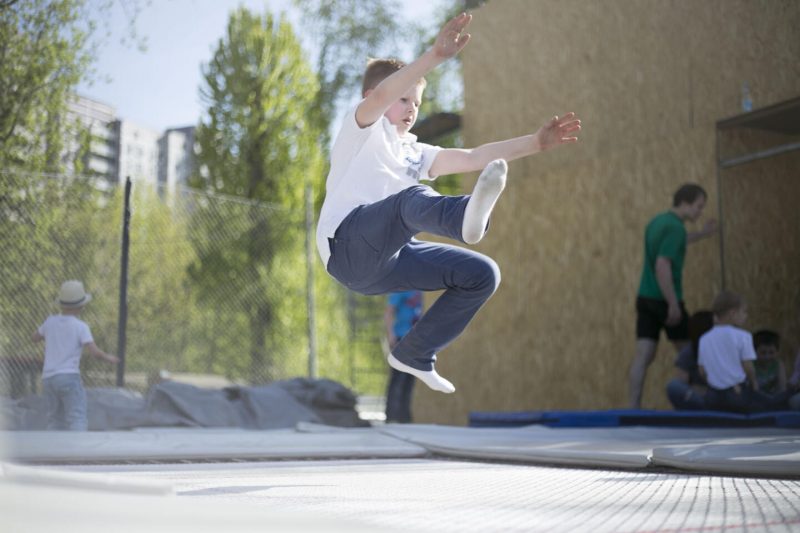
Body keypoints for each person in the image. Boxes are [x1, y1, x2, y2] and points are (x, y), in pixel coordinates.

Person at [315, 12, 581, 393]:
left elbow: (473, 156)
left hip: (381, 266)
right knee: (409, 202)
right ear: (374, 98)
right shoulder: (361, 128)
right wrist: (434, 57)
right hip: (345, 247)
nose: (411, 108)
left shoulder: (414, 152)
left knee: (482, 274)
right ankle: (464, 220)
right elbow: (382, 95)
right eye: (404, 99)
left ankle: (415, 353)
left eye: (417, 103)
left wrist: (535, 143)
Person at [627, 183, 718, 408]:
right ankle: (705, 400)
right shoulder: (675, 228)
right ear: (685, 203)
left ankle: (633, 407)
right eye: (699, 206)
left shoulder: (657, 223)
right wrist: (673, 304)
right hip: (665, 299)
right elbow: (662, 264)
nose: (700, 212)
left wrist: (703, 234)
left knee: (643, 355)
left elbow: (677, 244)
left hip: (645, 297)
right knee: (691, 350)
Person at [32, 280, 119, 430]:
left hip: (48, 379)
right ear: (81, 306)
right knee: (76, 417)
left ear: (61, 304)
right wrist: (108, 358)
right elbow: (94, 352)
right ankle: (78, 452)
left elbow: (34, 337)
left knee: (54, 419)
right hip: (68, 377)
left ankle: (52, 451)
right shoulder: (81, 327)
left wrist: (49, 334)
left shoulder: (50, 322)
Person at [698, 291, 784, 413]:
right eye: (744, 312)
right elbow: (748, 366)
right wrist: (754, 384)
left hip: (713, 397)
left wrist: (713, 384)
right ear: (733, 313)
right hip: (736, 395)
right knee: (768, 403)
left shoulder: (704, 339)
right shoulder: (743, 336)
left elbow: (702, 370)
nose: (746, 316)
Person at [384, 290, 423, 423]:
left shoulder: (420, 289)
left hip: (415, 340)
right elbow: (389, 311)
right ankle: (391, 416)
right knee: (397, 378)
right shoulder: (400, 287)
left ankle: (404, 417)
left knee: (409, 380)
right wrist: (390, 335)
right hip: (401, 338)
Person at [665, 310, 713, 410]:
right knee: (674, 386)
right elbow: (682, 382)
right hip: (698, 397)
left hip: (720, 396)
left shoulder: (720, 349)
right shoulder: (689, 352)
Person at [752, 329, 786, 395]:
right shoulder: (751, 365)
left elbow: (782, 387)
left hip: (772, 397)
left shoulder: (778, 364)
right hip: (755, 398)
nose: (767, 356)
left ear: (777, 352)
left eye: (771, 352)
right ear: (754, 352)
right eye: (763, 352)